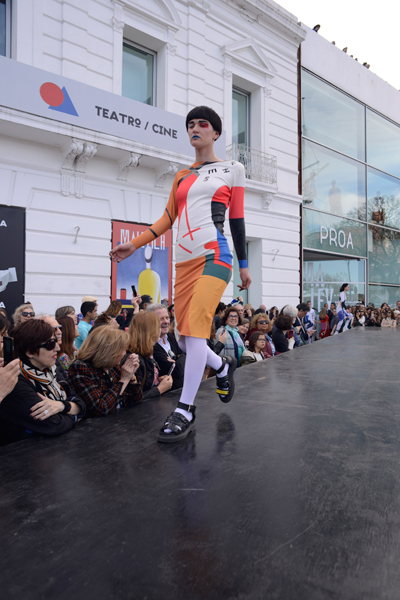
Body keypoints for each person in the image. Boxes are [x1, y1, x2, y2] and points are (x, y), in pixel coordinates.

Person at [110, 106, 251, 442]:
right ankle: (222, 366)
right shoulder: (181, 175)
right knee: (186, 339)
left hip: (215, 256)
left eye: (202, 124)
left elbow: (237, 218)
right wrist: (135, 244)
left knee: (196, 334)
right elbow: (167, 218)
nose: (195, 129)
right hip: (184, 263)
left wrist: (244, 264)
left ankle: (185, 409)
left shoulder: (232, 169)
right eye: (190, 125)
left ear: (216, 133)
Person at [0, 320, 86, 445]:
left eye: (55, 341)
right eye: (50, 344)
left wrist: (62, 406)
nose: (57, 348)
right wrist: (75, 415)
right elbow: (53, 425)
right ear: (30, 352)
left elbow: (81, 404)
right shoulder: (15, 381)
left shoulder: (51, 370)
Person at [68, 327, 141, 416]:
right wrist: (124, 380)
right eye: (122, 349)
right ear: (109, 351)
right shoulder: (81, 368)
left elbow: (136, 400)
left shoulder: (112, 366)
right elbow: (101, 408)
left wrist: (132, 377)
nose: (125, 353)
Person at [128, 311, 173, 400]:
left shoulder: (146, 351)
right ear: (151, 331)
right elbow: (134, 398)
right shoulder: (135, 359)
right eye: (158, 327)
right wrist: (160, 389)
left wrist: (156, 380)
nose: (160, 330)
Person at [148, 304, 186, 390]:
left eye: (167, 318)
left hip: (180, 390)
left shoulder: (169, 336)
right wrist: (182, 358)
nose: (166, 321)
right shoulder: (151, 344)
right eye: (161, 319)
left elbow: (183, 354)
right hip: (166, 395)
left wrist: (180, 358)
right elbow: (177, 371)